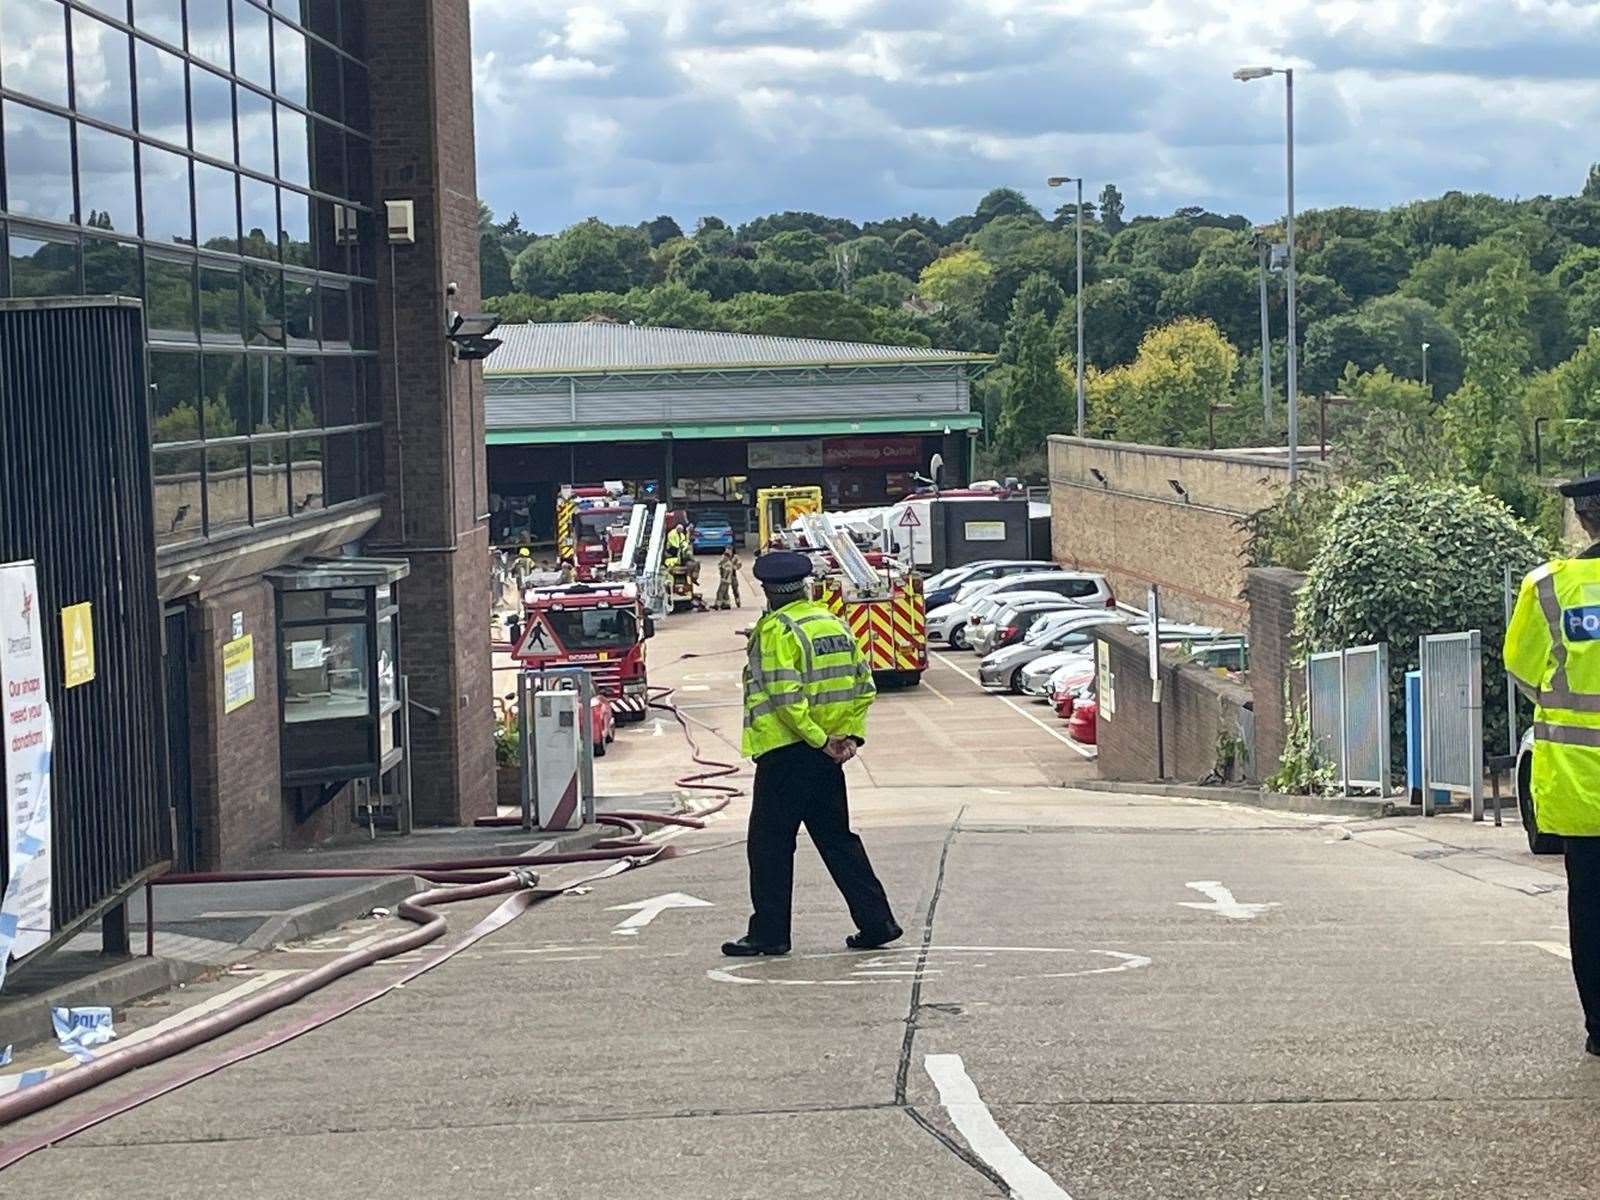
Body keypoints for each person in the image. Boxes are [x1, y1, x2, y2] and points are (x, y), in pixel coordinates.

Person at [722, 551, 902, 957]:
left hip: (789, 753)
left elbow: (786, 698)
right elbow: (863, 686)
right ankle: (877, 922)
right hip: (828, 757)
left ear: (768, 592)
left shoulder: (776, 631)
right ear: (804, 586)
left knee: (769, 844)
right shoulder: (832, 623)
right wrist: (849, 738)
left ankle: (770, 933)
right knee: (838, 839)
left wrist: (818, 739)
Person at [1505, 473, 1600, 1060]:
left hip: (1578, 782)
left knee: (1589, 904)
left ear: (1584, 520)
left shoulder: (1548, 588)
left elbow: (1521, 668)